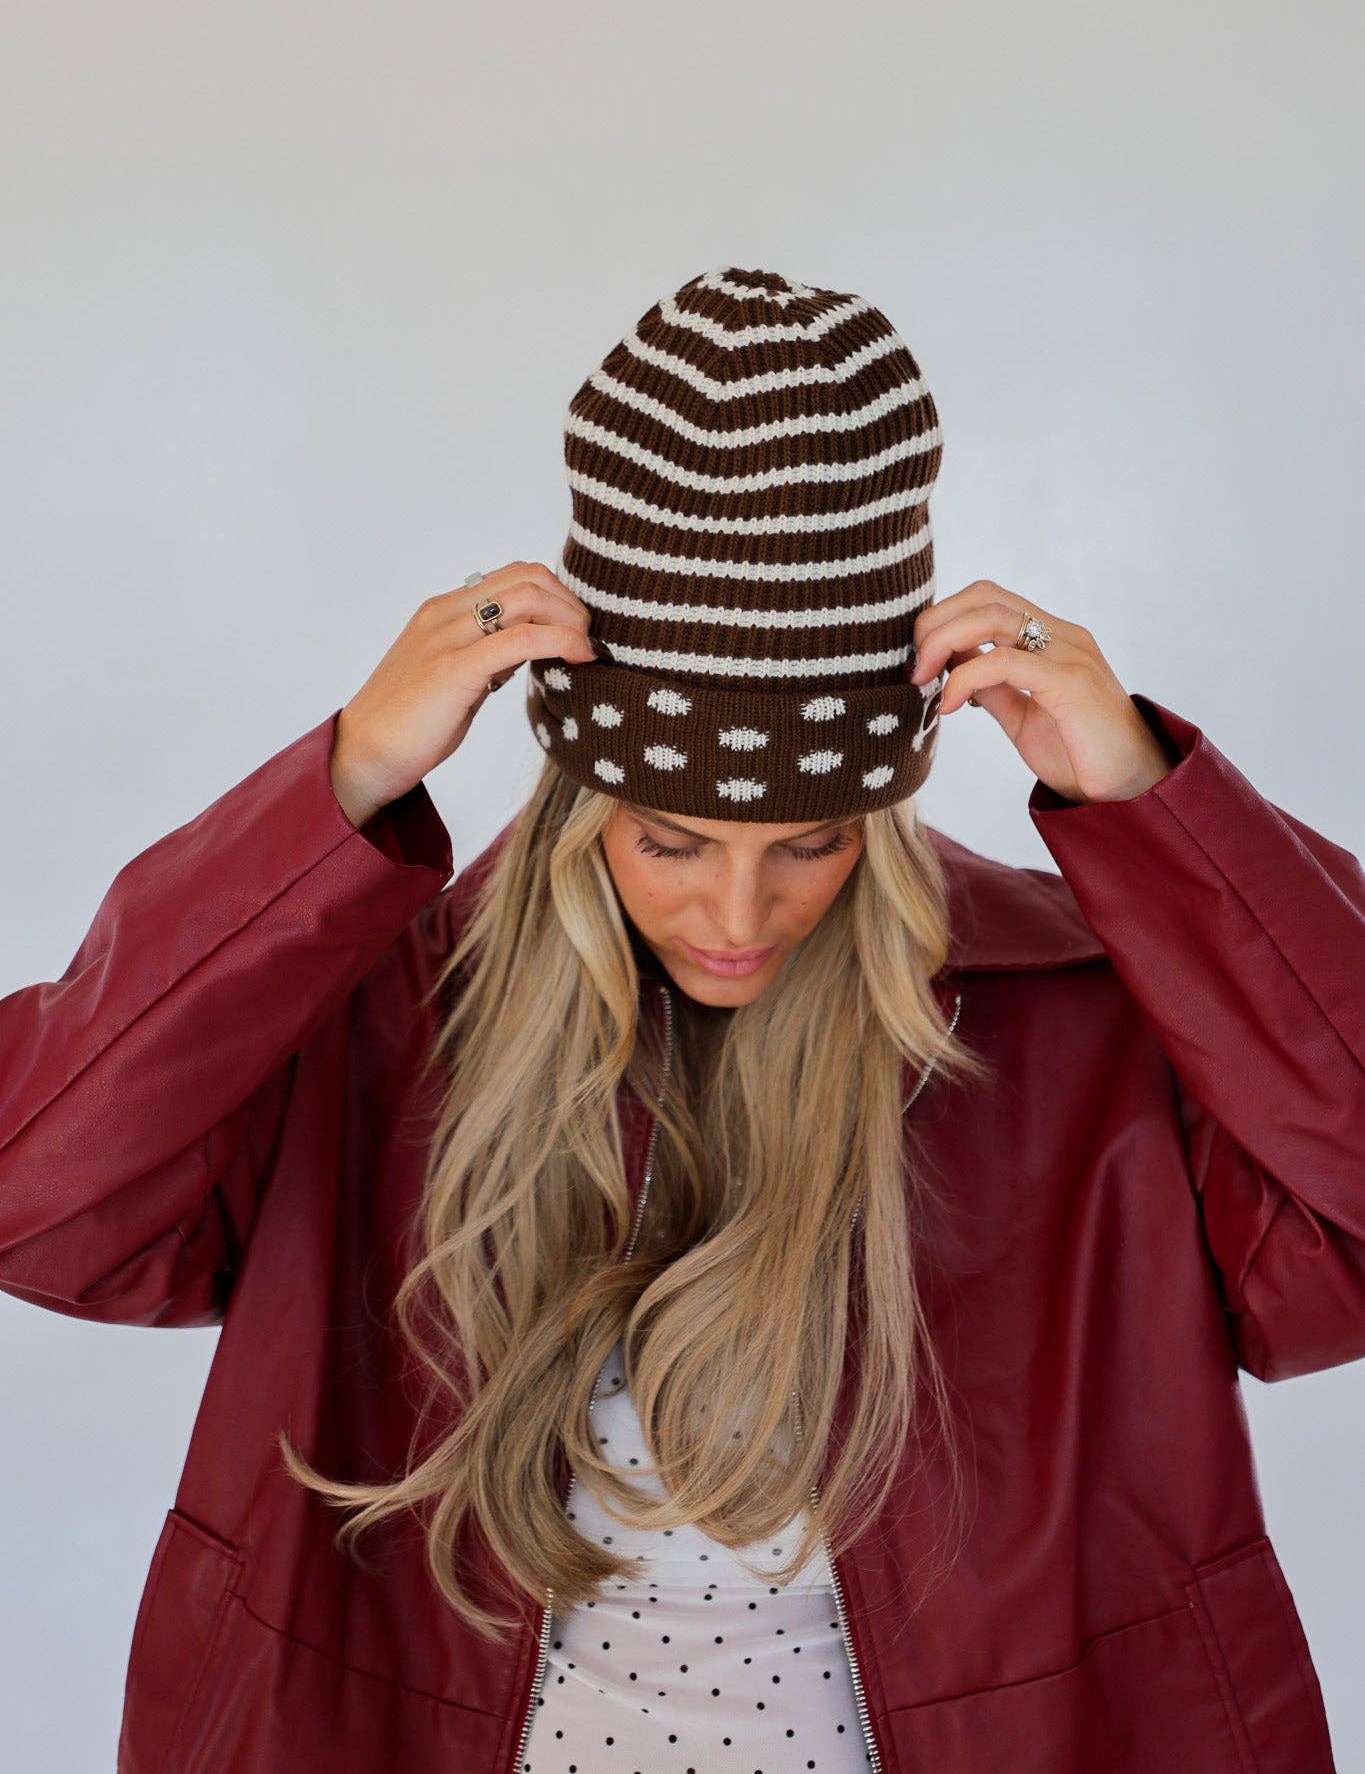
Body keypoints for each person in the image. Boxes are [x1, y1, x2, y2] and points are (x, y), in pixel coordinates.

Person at [0, 265, 1359, 1774]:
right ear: (585, 801)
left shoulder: (1074, 1024)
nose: (738, 915)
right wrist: (347, 781)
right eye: (671, 842)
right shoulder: (374, 1007)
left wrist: (1151, 810)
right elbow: (38, 1198)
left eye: (809, 844)